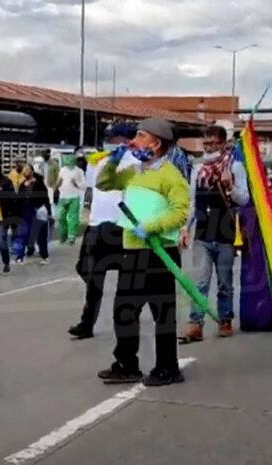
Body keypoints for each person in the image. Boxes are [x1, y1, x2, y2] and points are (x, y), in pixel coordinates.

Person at [96, 117, 190, 387]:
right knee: (124, 311)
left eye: (140, 136)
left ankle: (168, 368)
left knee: (163, 314)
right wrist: (113, 161)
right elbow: (105, 183)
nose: (132, 141)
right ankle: (126, 364)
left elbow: (180, 211)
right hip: (132, 251)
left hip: (160, 252)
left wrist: (150, 226)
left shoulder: (171, 175)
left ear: (156, 143)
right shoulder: (136, 171)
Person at [179, 125, 249, 343]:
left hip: (225, 232)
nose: (209, 148)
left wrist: (230, 187)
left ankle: (225, 319)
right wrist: (185, 227)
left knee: (224, 282)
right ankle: (196, 323)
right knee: (199, 282)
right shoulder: (198, 169)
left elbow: (244, 199)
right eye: (206, 143)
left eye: (214, 144)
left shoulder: (235, 167)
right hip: (202, 233)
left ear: (223, 143)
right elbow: (192, 201)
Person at [68, 124, 136, 340]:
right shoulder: (97, 161)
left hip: (120, 225)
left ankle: (123, 322)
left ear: (127, 140)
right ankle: (87, 323)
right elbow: (91, 189)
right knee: (87, 273)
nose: (111, 142)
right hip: (96, 224)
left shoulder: (135, 162)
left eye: (115, 138)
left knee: (125, 282)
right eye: (109, 138)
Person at [22, 171, 52, 265]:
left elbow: (45, 198)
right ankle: (30, 250)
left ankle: (45, 256)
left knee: (41, 235)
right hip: (28, 212)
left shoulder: (39, 185)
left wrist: (49, 212)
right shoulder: (24, 184)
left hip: (40, 210)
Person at [55, 154, 85, 245]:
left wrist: (76, 183)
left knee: (73, 218)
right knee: (61, 217)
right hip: (63, 197)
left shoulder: (79, 171)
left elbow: (83, 185)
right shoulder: (63, 170)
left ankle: (71, 236)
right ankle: (63, 234)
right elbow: (59, 181)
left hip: (74, 197)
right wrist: (55, 189)